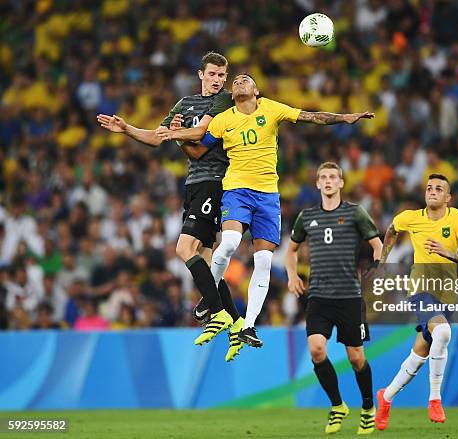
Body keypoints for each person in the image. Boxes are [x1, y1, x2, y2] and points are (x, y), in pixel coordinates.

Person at [160, 73, 374, 348]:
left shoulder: (271, 108)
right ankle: (210, 298)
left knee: (262, 261)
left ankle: (247, 326)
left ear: (256, 90)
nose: (238, 81)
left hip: (268, 197)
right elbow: (199, 150)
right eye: (235, 80)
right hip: (236, 190)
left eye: (245, 79)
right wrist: (175, 136)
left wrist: (344, 118)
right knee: (230, 242)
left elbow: (311, 116)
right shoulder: (224, 119)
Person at [97, 52, 244, 362]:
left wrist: (175, 135)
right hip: (193, 186)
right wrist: (127, 129)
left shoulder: (223, 103)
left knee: (184, 247)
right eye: (213, 74)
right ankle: (237, 324)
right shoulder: (185, 102)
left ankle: (217, 313)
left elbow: (199, 138)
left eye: (222, 75)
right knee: (206, 261)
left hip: (214, 182)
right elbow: (155, 137)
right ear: (201, 74)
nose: (218, 80)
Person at [285, 162, 382, 435]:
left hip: (349, 296)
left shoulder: (355, 213)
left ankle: (367, 408)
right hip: (318, 296)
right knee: (316, 350)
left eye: (333, 177)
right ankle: (338, 405)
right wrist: (292, 276)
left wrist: (375, 273)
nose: (328, 181)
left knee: (356, 358)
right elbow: (290, 251)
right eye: (323, 177)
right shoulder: (307, 217)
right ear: (317, 184)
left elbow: (377, 246)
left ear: (341, 183)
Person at [375, 174, 458, 429]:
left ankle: (385, 398)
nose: (432, 191)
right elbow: (392, 230)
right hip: (420, 288)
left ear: (448, 198)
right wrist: (382, 263)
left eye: (439, 189)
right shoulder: (411, 217)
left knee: (421, 352)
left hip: (447, 293)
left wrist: (446, 252)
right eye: (429, 187)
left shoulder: (457, 219)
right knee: (442, 331)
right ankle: (435, 399)